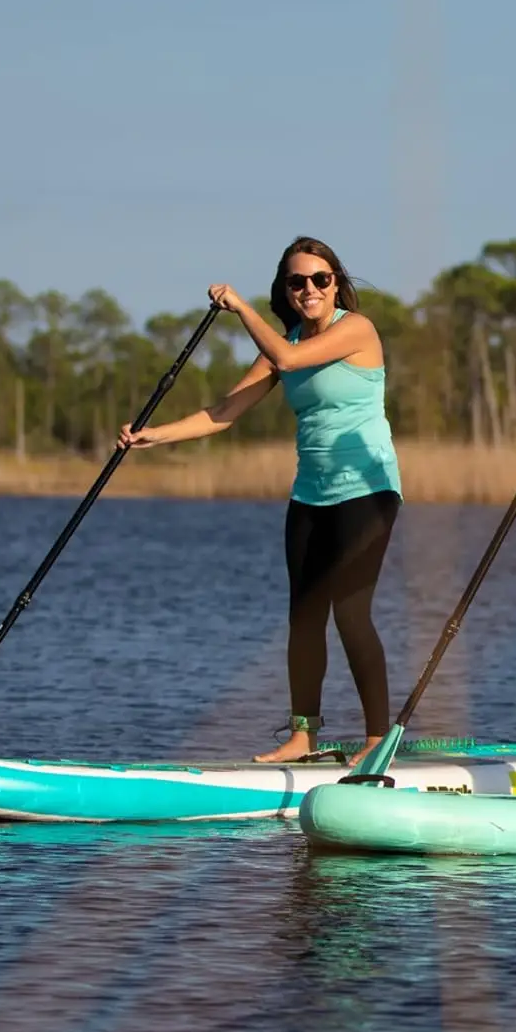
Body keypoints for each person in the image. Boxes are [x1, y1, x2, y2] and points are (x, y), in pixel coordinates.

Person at [118, 237, 403, 764]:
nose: (310, 289)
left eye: (320, 279)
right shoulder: (286, 340)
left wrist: (242, 307)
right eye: (298, 282)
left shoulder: (356, 331)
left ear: (336, 282)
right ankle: (302, 735)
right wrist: (151, 436)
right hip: (310, 496)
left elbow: (289, 358)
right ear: (287, 290)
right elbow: (224, 412)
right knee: (304, 615)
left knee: (350, 611)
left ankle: (374, 740)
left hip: (368, 490)